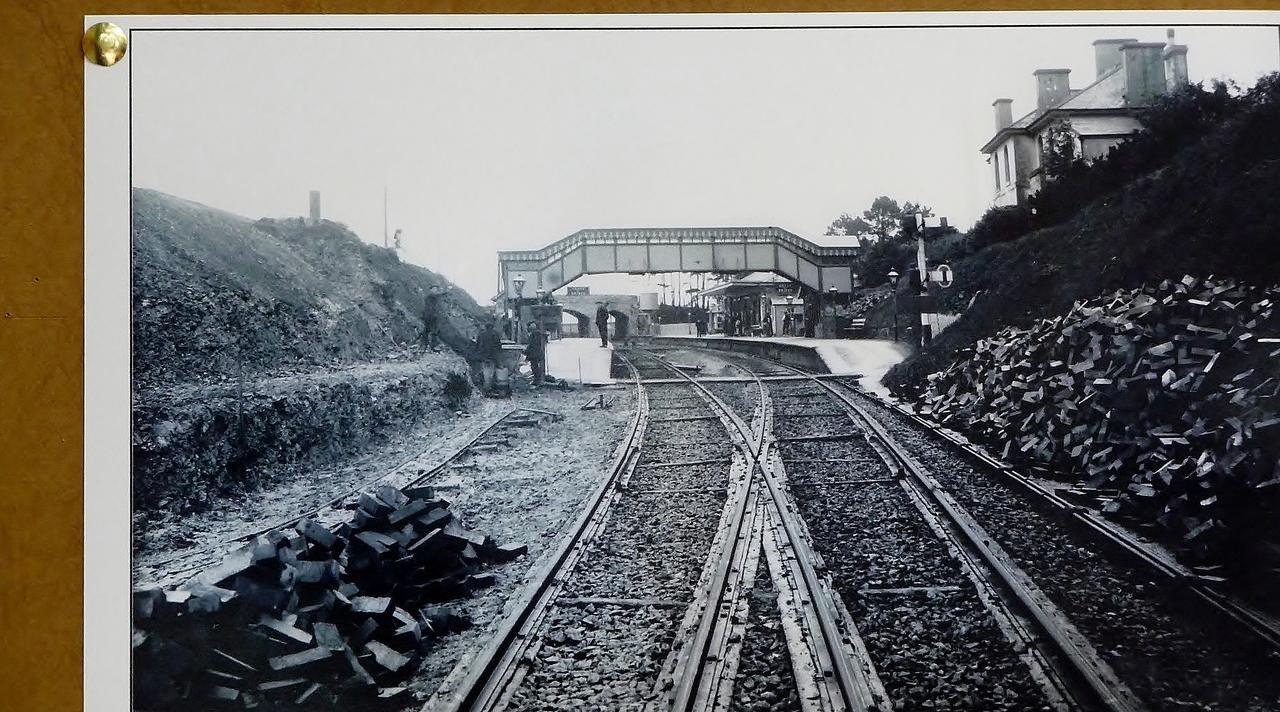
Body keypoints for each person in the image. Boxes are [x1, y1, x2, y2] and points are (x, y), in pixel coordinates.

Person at [475, 320, 503, 395]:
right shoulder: (495, 334)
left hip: (484, 356)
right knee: (491, 373)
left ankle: (486, 388)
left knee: (486, 372)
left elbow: (477, 345)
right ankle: (488, 388)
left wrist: (478, 354)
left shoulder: (481, 334)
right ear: (492, 327)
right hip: (492, 356)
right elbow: (499, 346)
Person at [422, 285, 445, 352]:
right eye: (434, 289)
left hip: (431, 316)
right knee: (432, 331)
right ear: (431, 290)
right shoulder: (430, 297)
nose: (435, 290)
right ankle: (431, 346)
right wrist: (446, 291)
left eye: (436, 289)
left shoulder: (432, 297)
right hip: (430, 316)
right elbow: (436, 295)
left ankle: (426, 345)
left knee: (429, 331)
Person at [525, 320, 546, 385]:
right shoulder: (538, 334)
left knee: (535, 367)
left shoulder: (534, 335)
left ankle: (537, 380)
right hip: (537, 353)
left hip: (534, 354)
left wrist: (526, 353)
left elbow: (532, 345)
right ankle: (538, 380)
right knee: (535, 367)